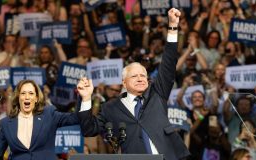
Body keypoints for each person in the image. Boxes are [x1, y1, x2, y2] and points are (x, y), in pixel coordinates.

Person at [77, 8, 190, 160]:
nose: (140, 78)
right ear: (124, 82)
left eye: (143, 75)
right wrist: (85, 99)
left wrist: (172, 27)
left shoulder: (157, 93)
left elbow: (169, 62)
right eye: (134, 76)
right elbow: (88, 129)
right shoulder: (110, 108)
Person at [0, 79, 80, 160]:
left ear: (36, 98)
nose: (27, 97)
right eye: (23, 93)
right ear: (18, 98)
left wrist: (84, 97)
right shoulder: (6, 123)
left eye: (31, 93)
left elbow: (75, 118)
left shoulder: (49, 114)